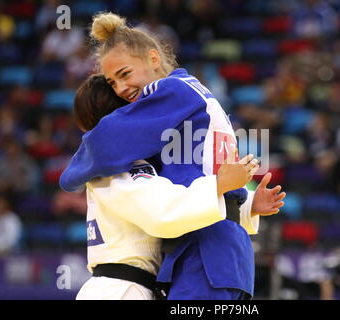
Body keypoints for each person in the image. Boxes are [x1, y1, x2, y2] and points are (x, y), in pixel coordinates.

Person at [60, 12, 285, 299]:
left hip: (205, 248)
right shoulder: (195, 101)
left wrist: (75, 172)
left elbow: (107, 141)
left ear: (154, 59)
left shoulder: (171, 90)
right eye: (113, 83)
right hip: (222, 249)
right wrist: (248, 203)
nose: (122, 88)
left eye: (125, 74)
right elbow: (206, 178)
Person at [72, 74, 263, 300]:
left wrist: (246, 205)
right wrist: (219, 185)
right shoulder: (119, 166)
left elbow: (174, 192)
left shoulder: (109, 162)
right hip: (122, 290)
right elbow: (161, 213)